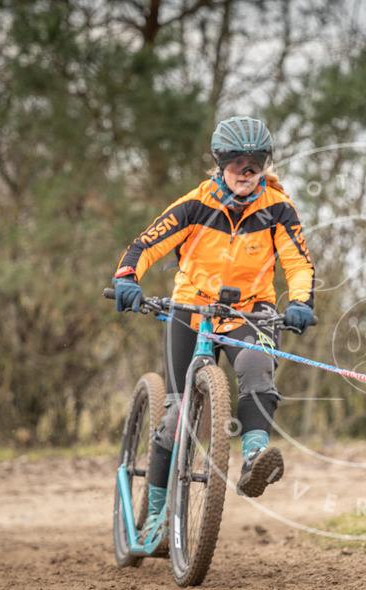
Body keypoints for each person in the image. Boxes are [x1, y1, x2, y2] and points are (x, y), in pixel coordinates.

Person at [110, 116, 315, 537]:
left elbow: (298, 262)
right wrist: (127, 278)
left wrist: (300, 302)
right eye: (236, 160)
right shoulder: (195, 204)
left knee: (258, 364)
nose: (246, 168)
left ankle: (255, 457)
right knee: (175, 416)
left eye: (255, 160)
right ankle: (155, 516)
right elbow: (146, 244)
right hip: (189, 309)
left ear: (265, 164)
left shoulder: (278, 209)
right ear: (219, 162)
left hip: (250, 312)